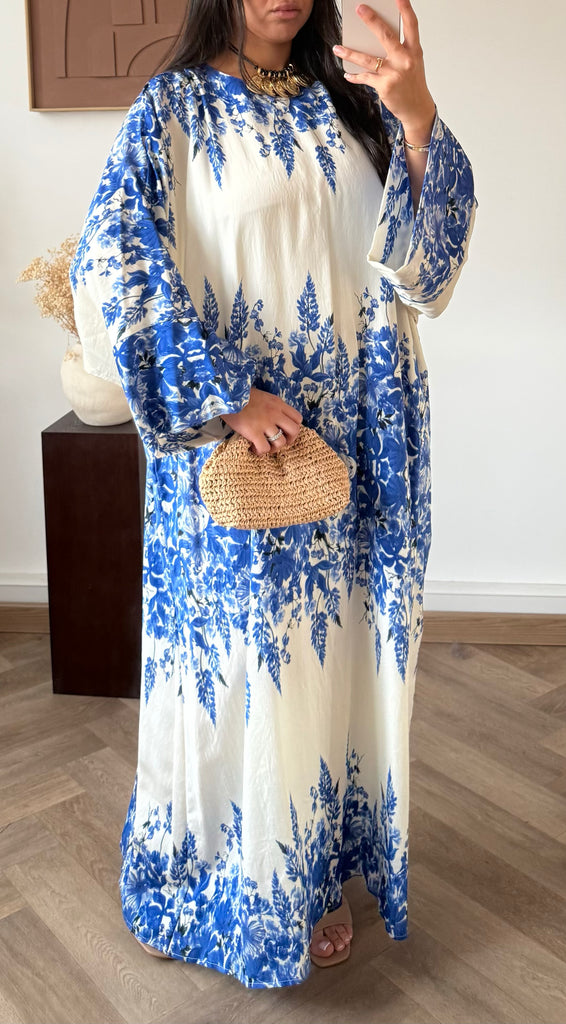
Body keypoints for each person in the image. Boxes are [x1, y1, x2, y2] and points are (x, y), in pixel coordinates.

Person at [70, 0, 476, 990]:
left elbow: (425, 278)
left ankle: (311, 870)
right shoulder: (172, 112)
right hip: (243, 453)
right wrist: (224, 394)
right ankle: (216, 879)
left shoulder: (357, 106)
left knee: (333, 665)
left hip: (358, 451)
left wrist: (419, 118)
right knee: (235, 674)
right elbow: (111, 266)